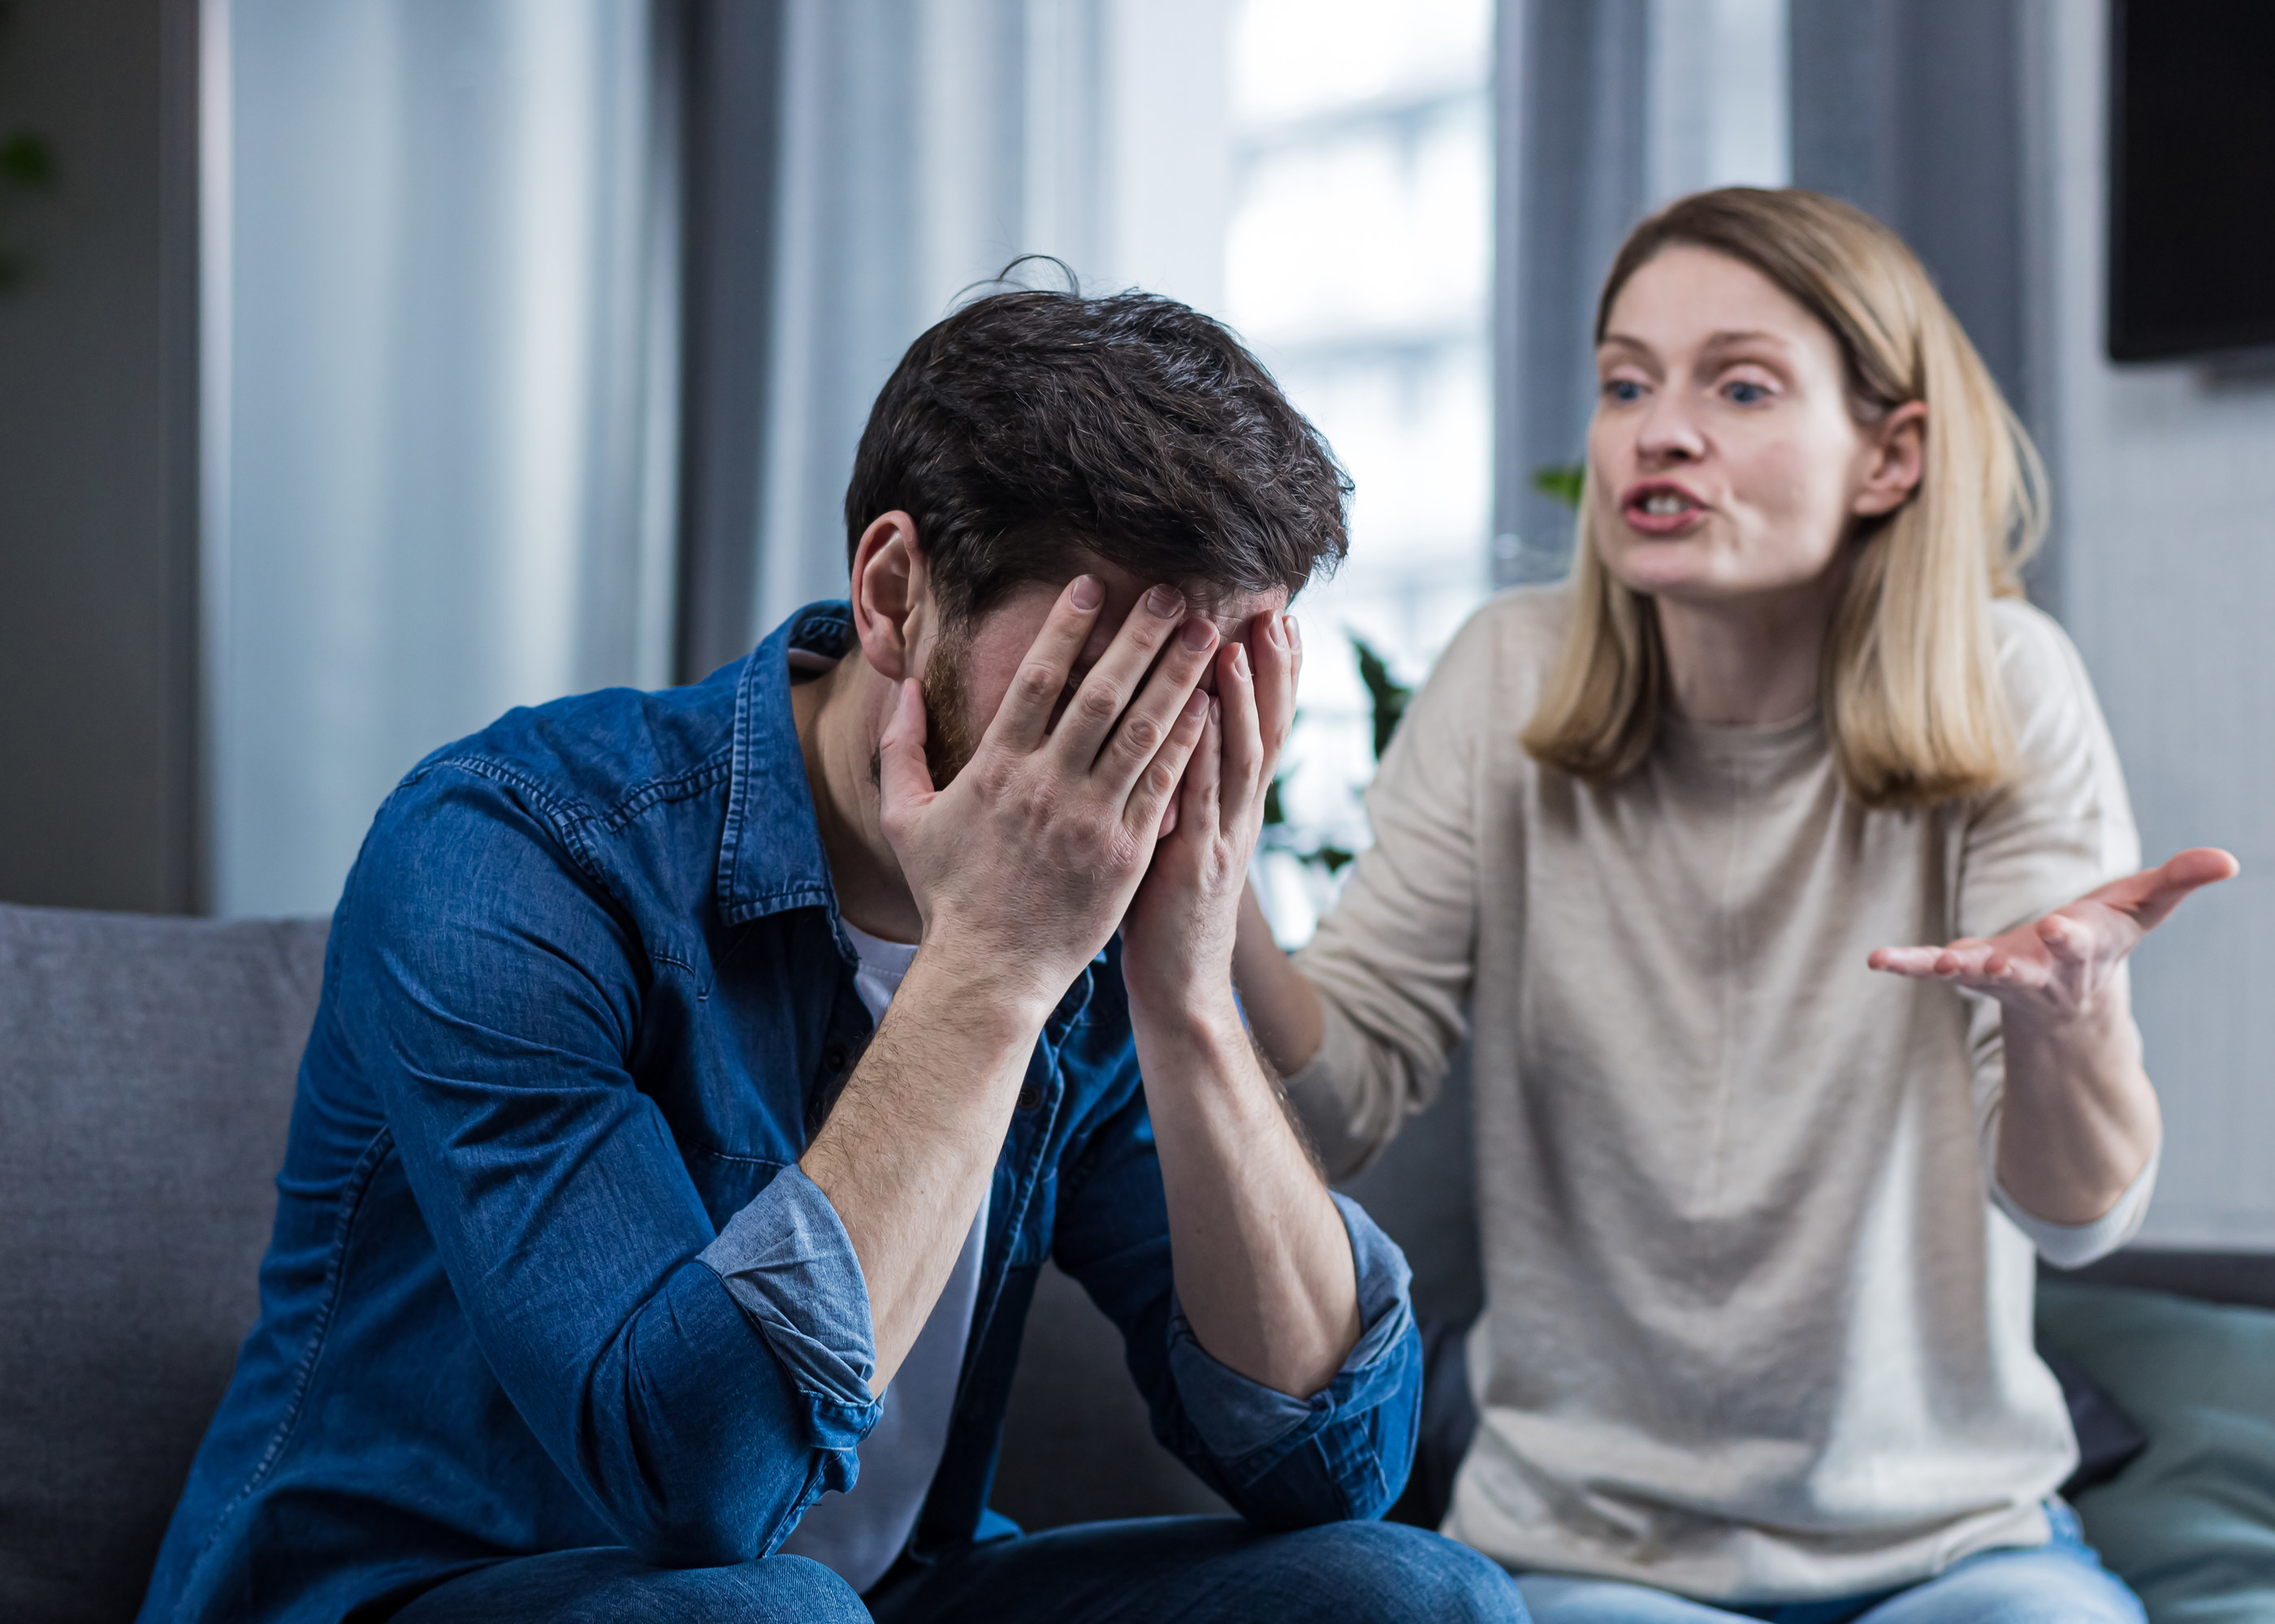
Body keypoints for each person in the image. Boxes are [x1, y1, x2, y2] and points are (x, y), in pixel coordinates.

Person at [139, 287, 1525, 1624]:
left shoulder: (1105, 905)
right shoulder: (516, 846)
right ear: (893, 589)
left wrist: (1188, 998)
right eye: (1100, 673)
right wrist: (991, 966)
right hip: (436, 1587)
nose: (1151, 746)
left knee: (1419, 1594)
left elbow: (1332, 1466)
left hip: (875, 1594)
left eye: (1213, 680)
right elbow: (702, 1489)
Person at [1230, 188, 2238, 1622]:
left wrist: (2069, 1021)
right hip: (1595, 1555)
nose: (1661, 429)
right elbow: (1332, 1106)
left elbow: (2075, 1219)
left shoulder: (2009, 681)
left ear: (1891, 455)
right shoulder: (1506, 677)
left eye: (1740, 385)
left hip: (1962, 1546)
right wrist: (1214, 901)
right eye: (1625, 382)